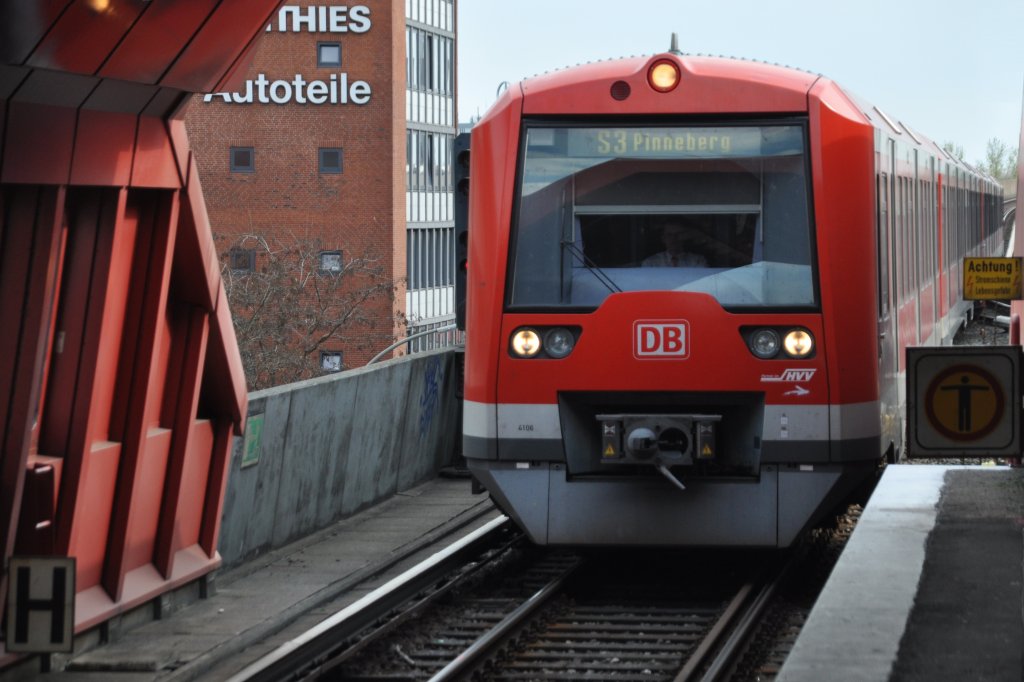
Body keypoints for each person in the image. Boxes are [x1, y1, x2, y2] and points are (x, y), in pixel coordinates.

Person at [642, 220, 707, 267]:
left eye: (678, 234)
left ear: (685, 237)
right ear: (663, 238)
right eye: (669, 235)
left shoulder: (697, 261)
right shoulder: (651, 263)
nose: (674, 239)